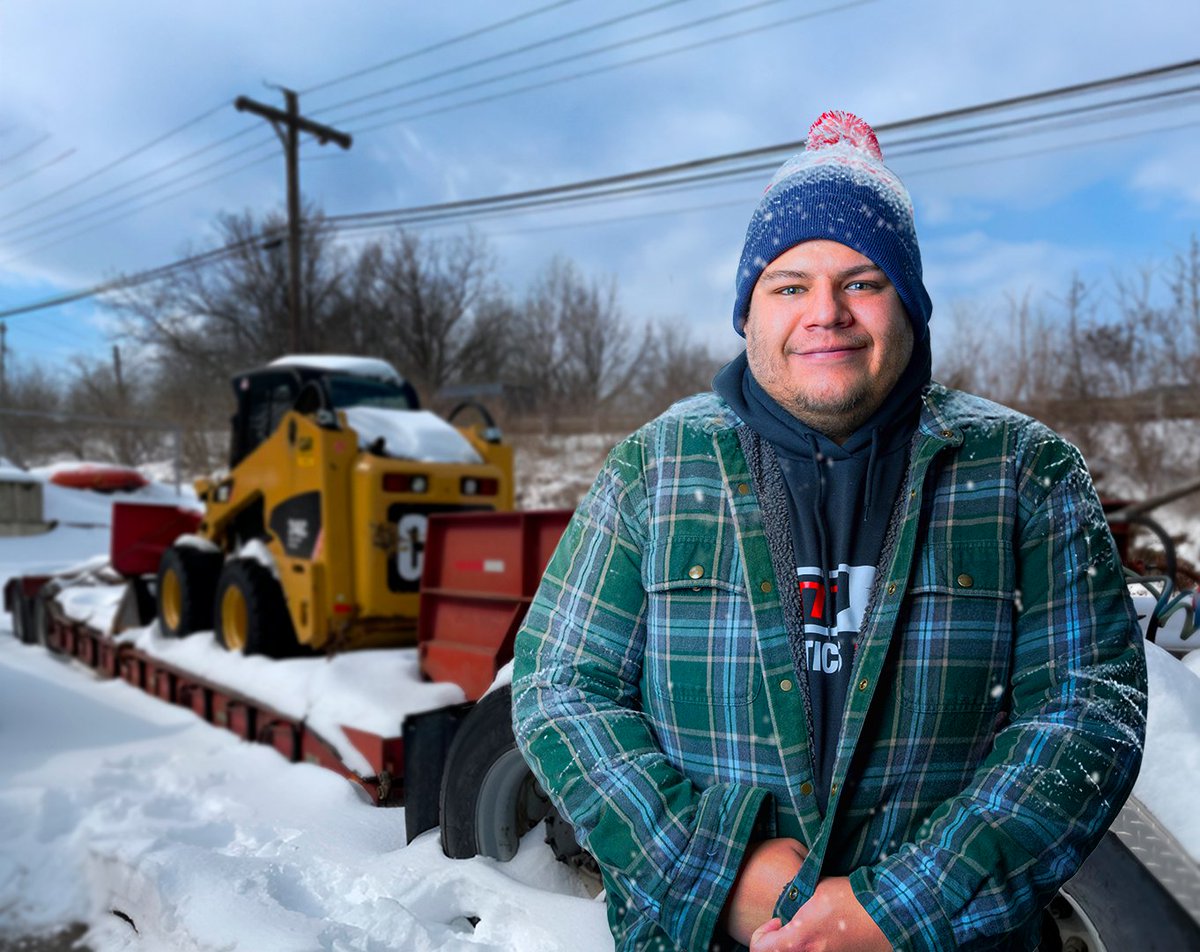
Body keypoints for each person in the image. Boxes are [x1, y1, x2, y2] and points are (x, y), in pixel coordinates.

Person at [511, 110, 1147, 952]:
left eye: (862, 281)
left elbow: (1090, 710)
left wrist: (900, 907)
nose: (826, 313)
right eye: (789, 285)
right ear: (748, 312)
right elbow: (561, 685)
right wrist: (715, 872)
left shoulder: (1024, 472)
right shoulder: (654, 468)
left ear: (909, 304)